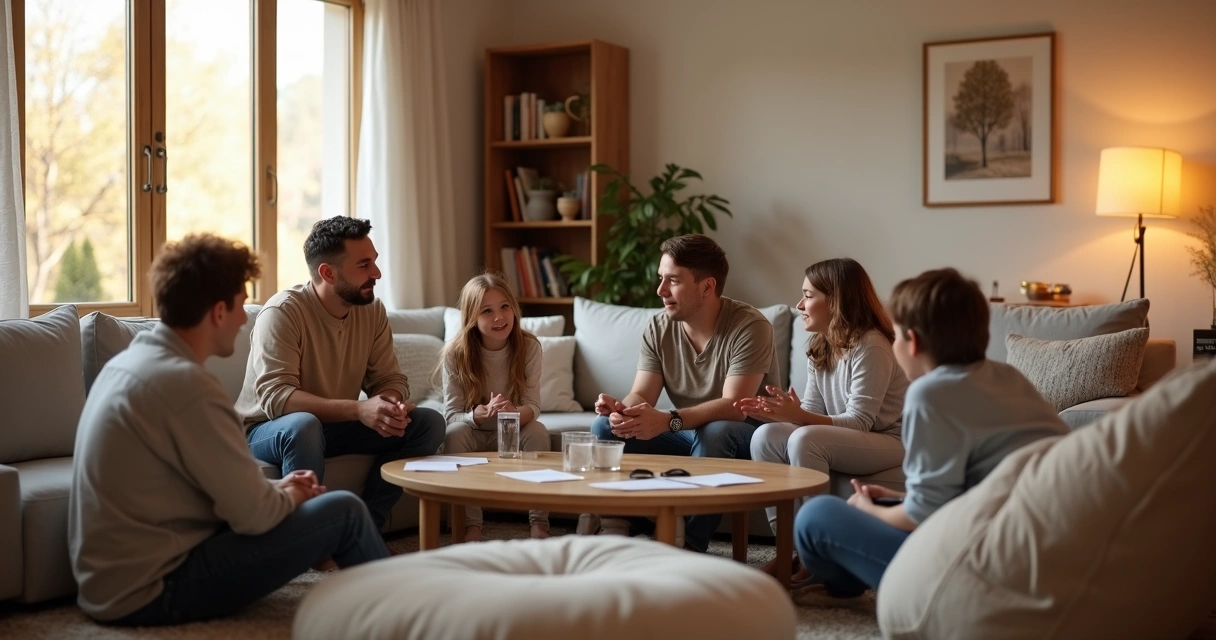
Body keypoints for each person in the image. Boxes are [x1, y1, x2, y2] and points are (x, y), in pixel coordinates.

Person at [69, 234, 389, 626]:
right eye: (240, 306)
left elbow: (199, 489)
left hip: (105, 584)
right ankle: (415, 613)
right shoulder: (188, 388)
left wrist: (282, 489)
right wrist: (289, 497)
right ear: (219, 311)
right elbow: (254, 518)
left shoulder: (131, 363)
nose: (243, 320)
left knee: (314, 503)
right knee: (344, 512)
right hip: (151, 589)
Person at [791, 268, 1068, 608]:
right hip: (1036, 545)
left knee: (815, 516)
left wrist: (866, 508)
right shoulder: (1007, 376)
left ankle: (843, 591)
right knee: (873, 507)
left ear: (913, 341)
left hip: (980, 563)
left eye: (895, 336)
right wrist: (895, 499)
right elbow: (966, 492)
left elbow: (922, 515)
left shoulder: (930, 392)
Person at [238, 216, 445, 531]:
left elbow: (389, 379)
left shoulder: (371, 310)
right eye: (364, 265)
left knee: (428, 423)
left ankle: (366, 529)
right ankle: (308, 541)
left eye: (374, 262)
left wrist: (389, 405)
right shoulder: (283, 312)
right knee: (304, 425)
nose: (376, 273)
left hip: (334, 426)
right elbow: (277, 399)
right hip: (268, 431)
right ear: (327, 273)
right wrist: (360, 409)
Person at [589, 234, 780, 553]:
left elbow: (736, 406)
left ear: (707, 286)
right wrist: (623, 410)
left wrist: (668, 421)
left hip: (745, 437)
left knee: (716, 431)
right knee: (604, 427)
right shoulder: (658, 327)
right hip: (690, 434)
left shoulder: (750, 326)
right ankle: (622, 523)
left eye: (673, 281)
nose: (660, 290)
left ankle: (687, 545)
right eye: (661, 279)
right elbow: (642, 393)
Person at [740, 258, 908, 582]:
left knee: (805, 439)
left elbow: (859, 421)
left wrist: (799, 417)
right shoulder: (822, 344)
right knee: (765, 435)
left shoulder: (872, 345)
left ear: (836, 301)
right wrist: (780, 414)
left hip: (889, 439)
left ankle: (818, 556)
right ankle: (790, 548)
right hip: (854, 437)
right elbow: (814, 410)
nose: (800, 305)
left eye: (808, 295)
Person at [437, 272, 551, 541]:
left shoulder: (529, 346)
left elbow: (533, 406)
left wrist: (512, 412)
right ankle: (471, 526)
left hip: (515, 427)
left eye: (504, 307)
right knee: (454, 434)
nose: (499, 317)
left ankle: (539, 523)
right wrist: (477, 415)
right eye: (487, 311)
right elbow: (451, 415)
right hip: (474, 430)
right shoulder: (455, 353)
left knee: (537, 431)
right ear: (472, 318)